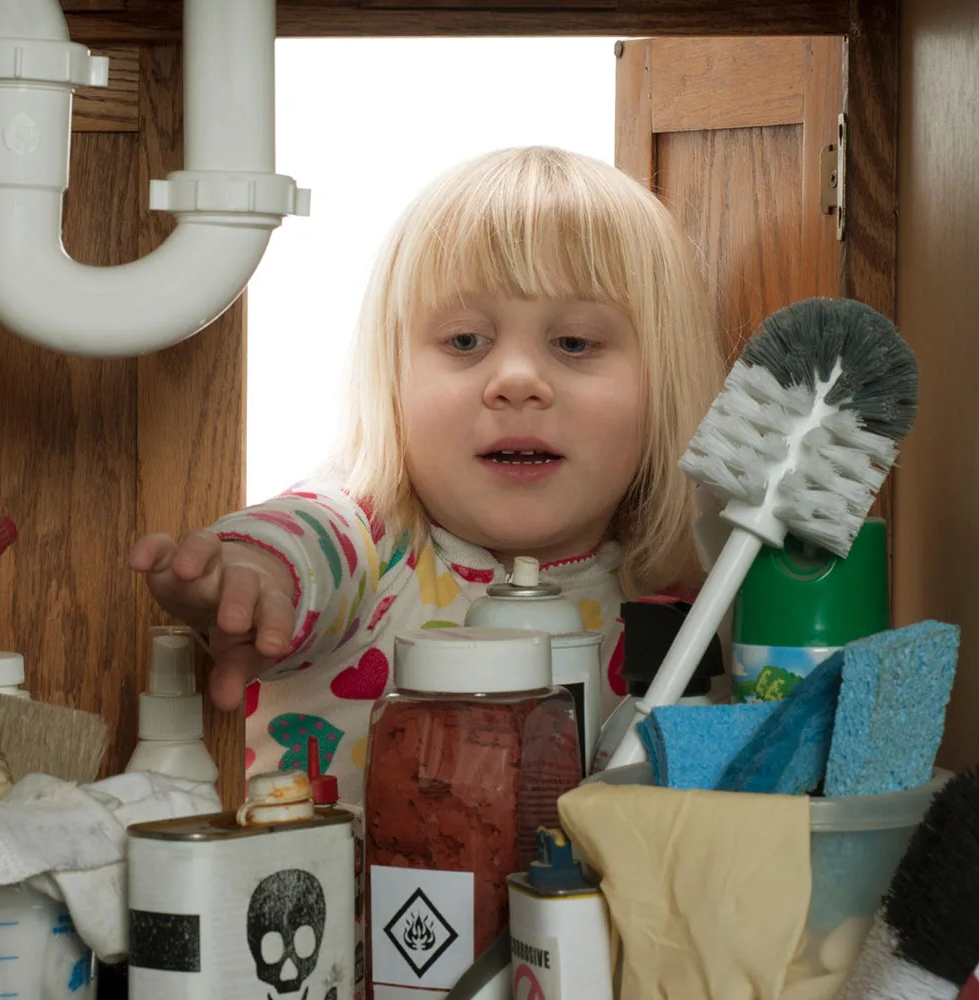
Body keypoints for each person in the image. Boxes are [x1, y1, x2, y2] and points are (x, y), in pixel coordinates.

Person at [130, 146, 725, 806]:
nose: (517, 381)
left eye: (575, 343)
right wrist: (259, 573)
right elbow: (307, 540)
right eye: (466, 342)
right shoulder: (371, 546)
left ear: (663, 385)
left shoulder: (685, 602)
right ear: (395, 381)